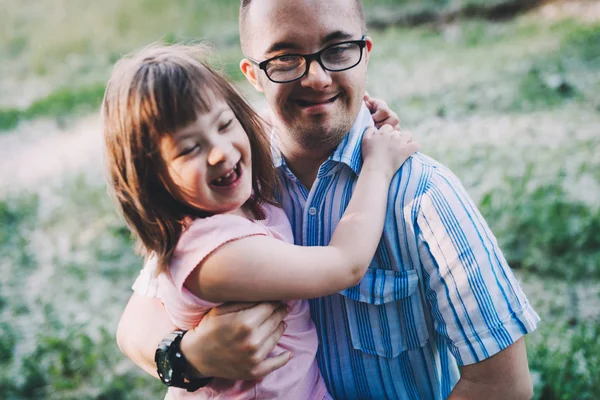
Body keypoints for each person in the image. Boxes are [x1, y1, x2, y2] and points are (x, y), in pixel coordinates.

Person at [117, 0, 541, 398]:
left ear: (365, 53)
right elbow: (136, 324)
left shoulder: (424, 197)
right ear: (253, 74)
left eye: (338, 49)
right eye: (285, 58)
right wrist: (189, 357)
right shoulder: (229, 188)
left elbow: (502, 387)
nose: (316, 78)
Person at [103, 44, 417, 399]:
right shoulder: (216, 254)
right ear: (152, 179)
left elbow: (269, 123)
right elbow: (344, 265)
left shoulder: (228, 201)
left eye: (224, 125)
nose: (221, 151)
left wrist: (358, 111)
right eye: (190, 148)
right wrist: (378, 167)